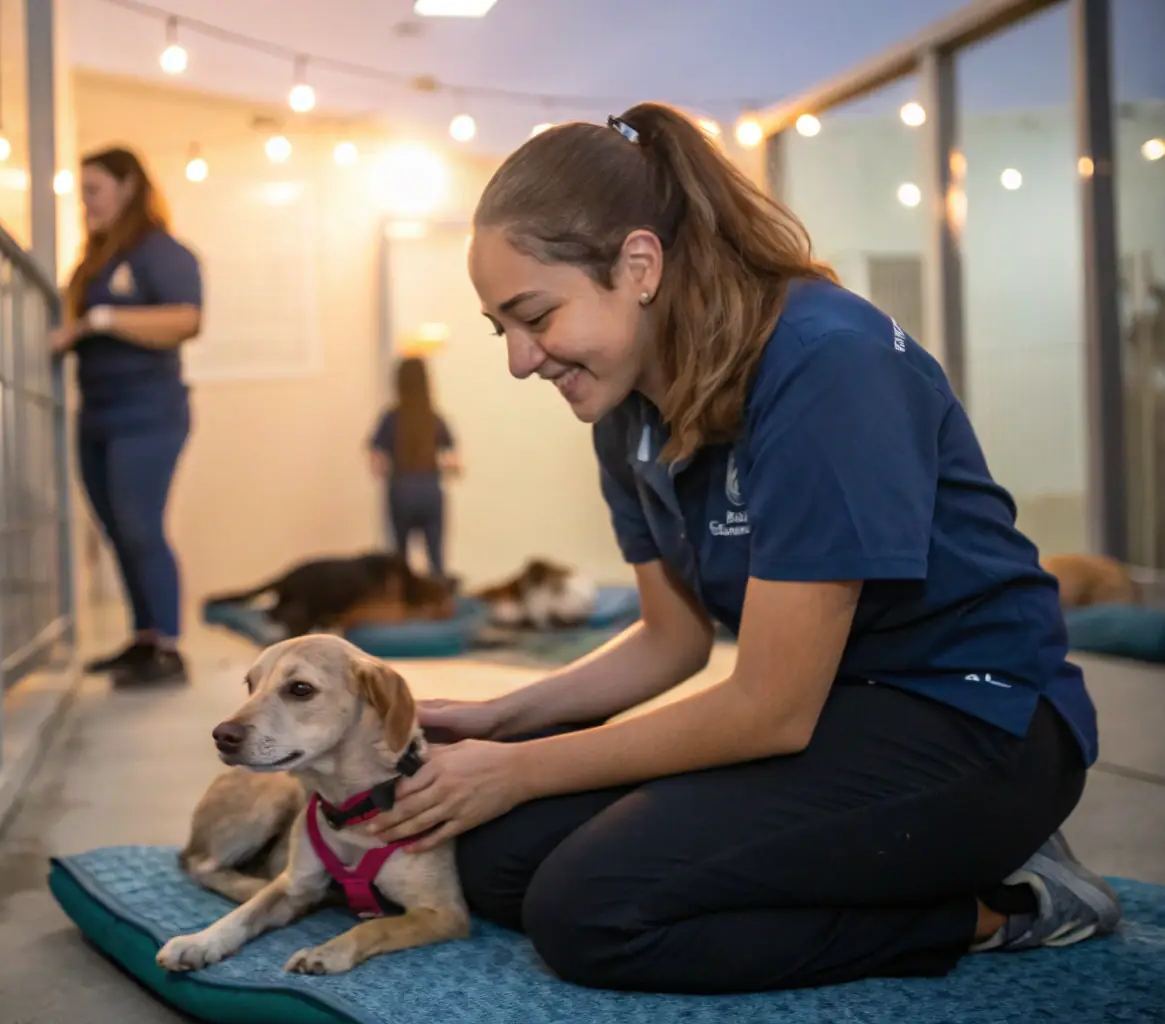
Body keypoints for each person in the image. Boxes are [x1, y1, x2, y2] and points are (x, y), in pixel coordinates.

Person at [363, 103, 1120, 995]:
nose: (521, 361)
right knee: (490, 857)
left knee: (590, 912)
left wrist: (522, 767)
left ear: (638, 264)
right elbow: (670, 641)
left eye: (535, 317)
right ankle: (885, 860)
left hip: (974, 724)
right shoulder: (625, 407)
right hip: (836, 714)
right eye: (503, 330)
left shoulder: (825, 363)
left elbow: (767, 709)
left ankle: (1008, 904)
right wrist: (502, 720)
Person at [52, 147, 202, 685]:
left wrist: (102, 319)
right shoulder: (95, 258)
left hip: (147, 414)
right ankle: (143, 638)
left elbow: (186, 319)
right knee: (117, 530)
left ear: (129, 187)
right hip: (97, 413)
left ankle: (168, 645)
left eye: (93, 189)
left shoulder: (159, 252)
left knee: (142, 527)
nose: (84, 201)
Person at [368, 356, 460, 579]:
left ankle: (405, 604)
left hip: (401, 488)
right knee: (436, 557)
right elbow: (453, 461)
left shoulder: (391, 418)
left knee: (400, 557)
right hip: (430, 489)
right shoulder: (434, 418)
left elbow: (375, 457)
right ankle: (439, 600)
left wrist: (386, 473)